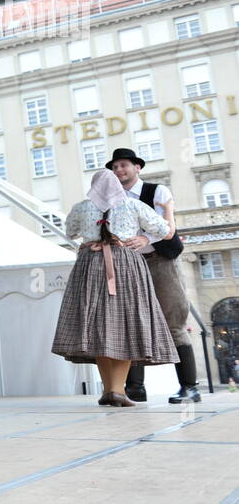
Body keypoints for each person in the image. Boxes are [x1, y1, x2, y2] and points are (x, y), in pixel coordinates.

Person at [52, 169, 178, 403]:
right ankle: (117, 391)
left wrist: (91, 239)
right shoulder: (133, 205)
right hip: (125, 264)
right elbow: (164, 231)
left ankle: (108, 390)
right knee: (126, 324)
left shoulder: (81, 207)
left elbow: (69, 232)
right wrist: (168, 210)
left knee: (98, 326)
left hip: (89, 264)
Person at [106, 148, 200, 404]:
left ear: (137, 167)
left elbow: (168, 227)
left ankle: (190, 387)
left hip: (161, 260)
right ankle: (135, 387)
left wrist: (146, 238)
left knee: (174, 320)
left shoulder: (157, 191)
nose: (118, 171)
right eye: (114, 168)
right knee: (131, 322)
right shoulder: (112, 198)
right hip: (129, 264)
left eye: (123, 165)